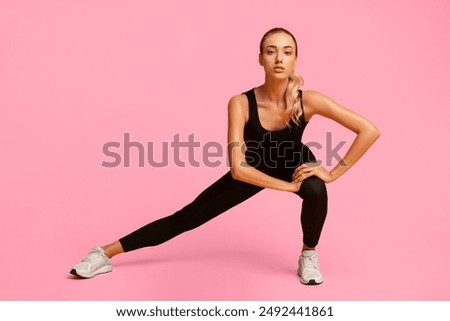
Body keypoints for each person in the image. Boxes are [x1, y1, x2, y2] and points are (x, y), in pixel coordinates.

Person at [70, 27, 380, 285]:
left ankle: (308, 255)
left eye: (287, 51)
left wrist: (331, 173)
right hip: (253, 168)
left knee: (316, 190)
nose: (279, 58)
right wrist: (287, 187)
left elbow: (368, 130)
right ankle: (104, 253)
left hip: (295, 161)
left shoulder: (309, 100)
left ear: (295, 58)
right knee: (187, 217)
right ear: (260, 58)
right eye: (271, 51)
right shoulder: (240, 103)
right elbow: (238, 168)